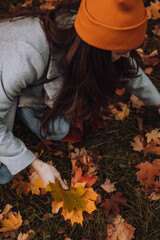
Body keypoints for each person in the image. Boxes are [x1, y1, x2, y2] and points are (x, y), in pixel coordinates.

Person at [0, 0, 160, 187]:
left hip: (23, 88)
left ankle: (18, 107)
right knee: (4, 171)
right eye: (121, 52)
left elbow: (126, 67)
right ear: (96, 50)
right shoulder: (26, 54)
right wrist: (37, 165)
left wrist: (157, 102)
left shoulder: (89, 28)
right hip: (7, 76)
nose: (126, 56)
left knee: (57, 129)